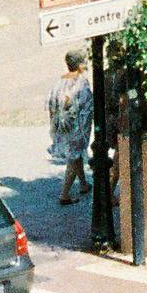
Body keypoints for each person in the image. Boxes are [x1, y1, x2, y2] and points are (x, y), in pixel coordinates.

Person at [49, 47, 95, 206]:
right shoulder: (82, 83)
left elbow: (51, 105)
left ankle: (83, 184)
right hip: (76, 127)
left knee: (76, 155)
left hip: (62, 126)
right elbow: (87, 105)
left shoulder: (59, 82)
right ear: (81, 65)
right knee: (74, 157)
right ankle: (64, 194)